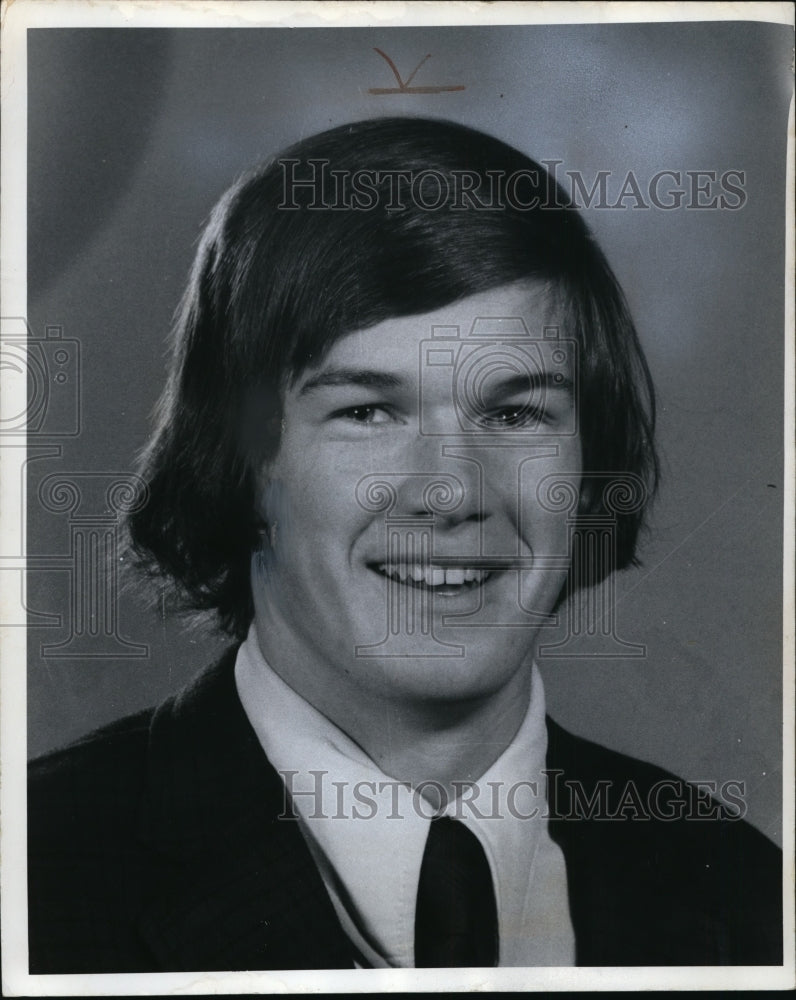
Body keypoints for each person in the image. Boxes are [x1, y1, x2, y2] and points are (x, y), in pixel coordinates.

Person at [28, 117, 781, 973]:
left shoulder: (745, 892)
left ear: (588, 464)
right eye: (367, 412)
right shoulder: (39, 880)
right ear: (241, 465)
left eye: (514, 412)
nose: (453, 493)